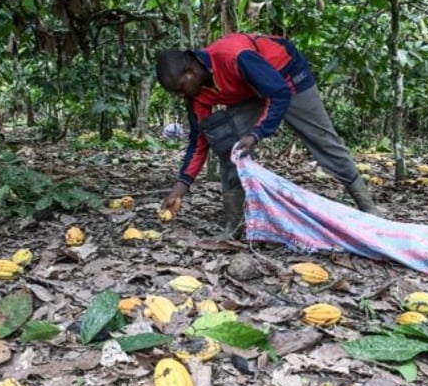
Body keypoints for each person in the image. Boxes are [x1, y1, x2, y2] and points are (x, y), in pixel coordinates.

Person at [156, 33, 378, 238]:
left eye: (180, 88)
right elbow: (199, 141)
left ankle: (368, 208)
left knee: (323, 141)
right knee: (228, 143)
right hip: (252, 92)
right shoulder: (195, 94)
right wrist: (179, 189)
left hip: (287, 78)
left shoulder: (234, 56)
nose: (179, 95)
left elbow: (279, 92)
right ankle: (235, 224)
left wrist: (256, 133)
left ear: (190, 72)